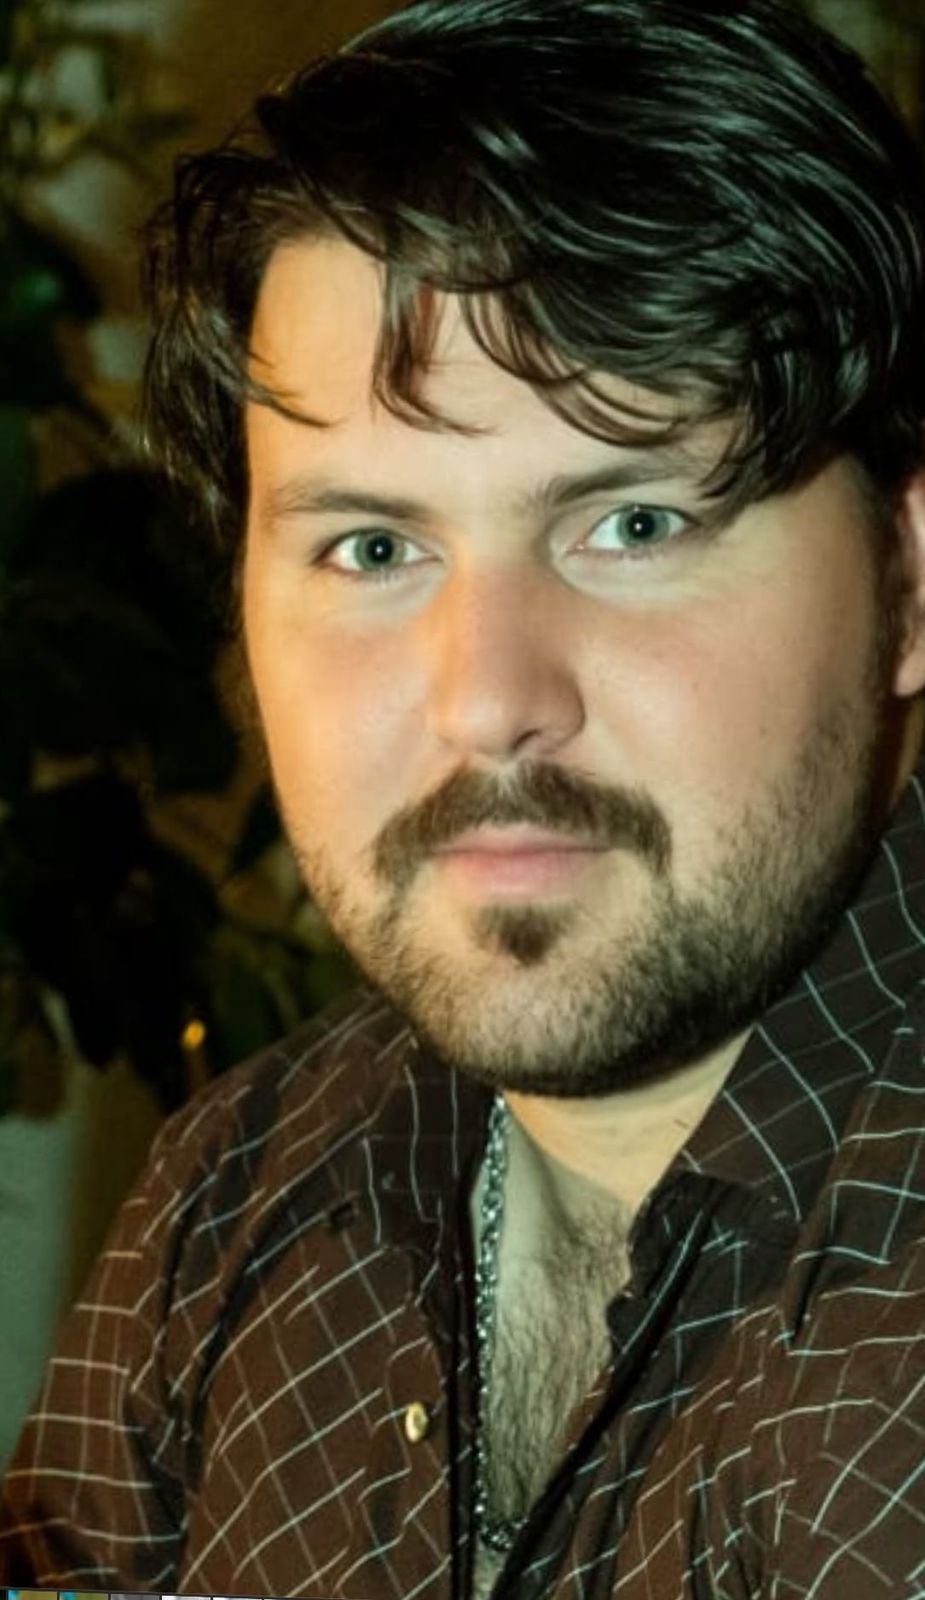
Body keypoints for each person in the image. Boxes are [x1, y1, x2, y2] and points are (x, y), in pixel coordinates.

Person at [4, 0, 925, 1594]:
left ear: (907, 580)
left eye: (631, 525)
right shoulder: (244, 1188)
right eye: (371, 547)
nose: (486, 696)